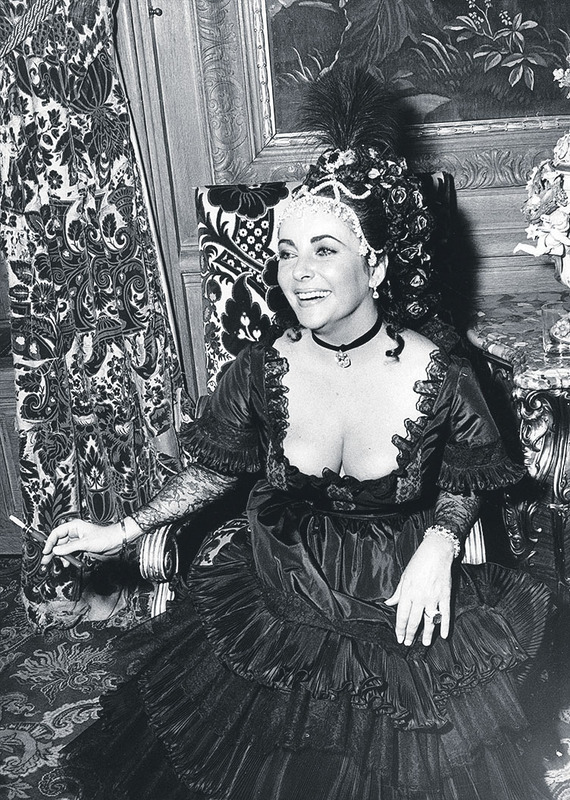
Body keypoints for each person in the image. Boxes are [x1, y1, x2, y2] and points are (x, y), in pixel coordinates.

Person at [42, 68, 554, 799]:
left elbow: (467, 477)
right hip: (283, 573)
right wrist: (119, 529)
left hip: (396, 580)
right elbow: (214, 470)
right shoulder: (261, 368)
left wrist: (441, 545)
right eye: (286, 252)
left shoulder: (442, 372)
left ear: (375, 265)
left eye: (325, 250)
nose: (299, 274)